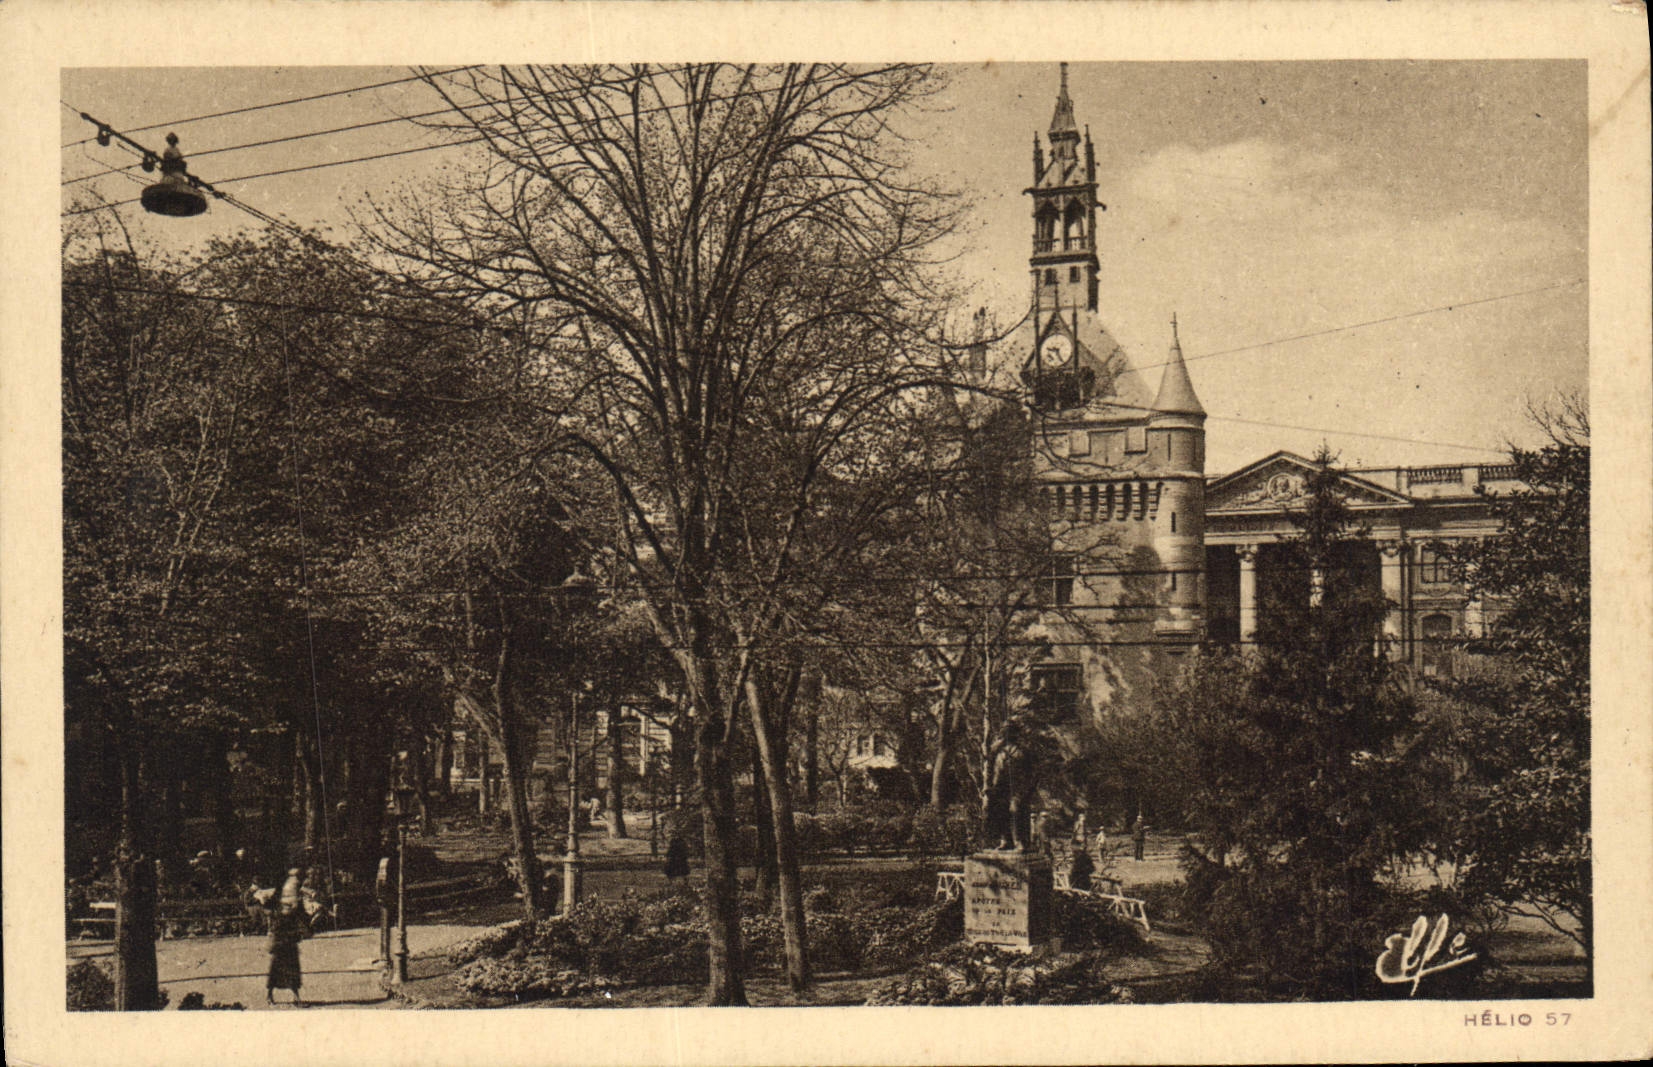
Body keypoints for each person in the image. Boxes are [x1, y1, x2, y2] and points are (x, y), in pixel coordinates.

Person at [264, 869, 307, 1006]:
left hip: (287, 937)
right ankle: (271, 995)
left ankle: (294, 996)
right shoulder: (284, 893)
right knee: (279, 967)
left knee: (289, 968)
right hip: (283, 937)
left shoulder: (292, 893)